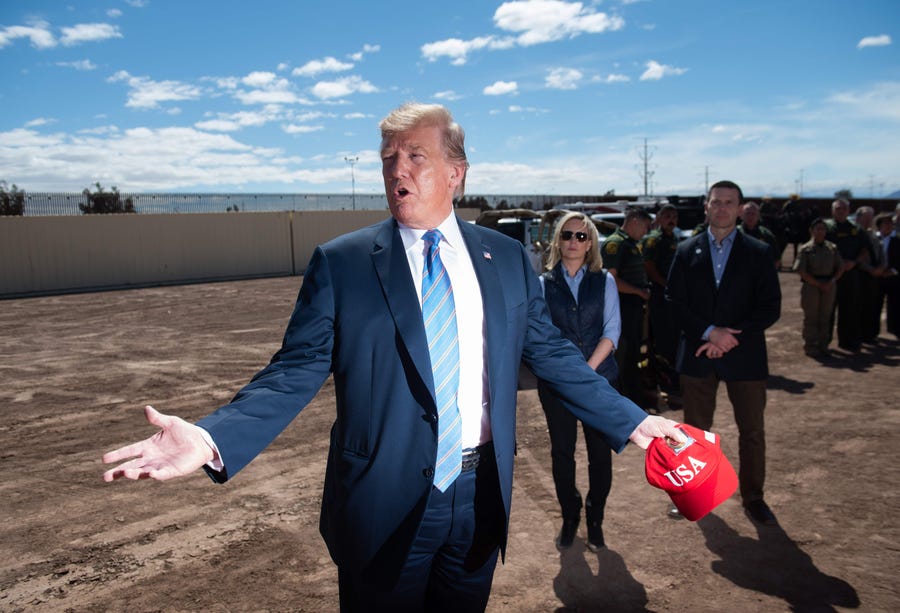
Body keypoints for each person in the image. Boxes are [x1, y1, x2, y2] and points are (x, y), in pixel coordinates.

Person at [101, 102, 684, 613]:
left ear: (455, 173)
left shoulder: (504, 260)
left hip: (480, 497)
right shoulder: (345, 263)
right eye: (388, 158)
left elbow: (552, 353)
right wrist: (211, 437)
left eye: (415, 156)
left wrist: (632, 419)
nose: (397, 170)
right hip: (384, 501)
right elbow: (294, 370)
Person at [665, 180, 782, 526]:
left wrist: (731, 338)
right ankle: (693, 494)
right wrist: (709, 332)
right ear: (706, 206)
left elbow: (770, 306)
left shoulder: (759, 252)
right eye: (716, 202)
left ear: (740, 208)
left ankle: (754, 497)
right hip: (699, 354)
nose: (722, 208)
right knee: (694, 434)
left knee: (752, 431)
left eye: (729, 203)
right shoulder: (686, 250)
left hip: (744, 357)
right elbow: (673, 300)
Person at [536, 212, 621, 553]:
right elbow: (541, 335)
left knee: (601, 455)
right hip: (557, 385)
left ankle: (595, 517)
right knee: (562, 453)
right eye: (567, 235)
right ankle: (569, 516)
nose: (574, 241)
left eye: (581, 237)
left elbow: (612, 330)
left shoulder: (605, 282)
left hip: (599, 381)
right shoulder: (543, 284)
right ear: (558, 240)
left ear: (591, 244)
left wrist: (587, 370)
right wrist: (567, 374)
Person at [601, 206, 653, 407]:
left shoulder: (630, 243)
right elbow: (611, 279)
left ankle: (632, 398)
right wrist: (639, 292)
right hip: (622, 308)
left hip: (633, 308)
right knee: (621, 357)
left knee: (632, 355)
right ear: (634, 221)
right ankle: (619, 400)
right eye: (645, 227)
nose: (646, 232)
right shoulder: (616, 244)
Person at [642, 203, 681, 407]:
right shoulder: (654, 240)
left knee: (673, 335)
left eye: (674, 216)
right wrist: (666, 285)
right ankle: (662, 381)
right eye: (667, 215)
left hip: (672, 295)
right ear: (658, 218)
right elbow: (649, 267)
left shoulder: (673, 238)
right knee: (661, 338)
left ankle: (671, 377)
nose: (671, 219)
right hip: (658, 294)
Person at [793, 218, 843, 357]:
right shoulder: (805, 249)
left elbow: (840, 267)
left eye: (823, 229)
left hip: (829, 285)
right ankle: (811, 345)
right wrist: (818, 284)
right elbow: (800, 270)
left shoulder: (832, 248)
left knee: (825, 317)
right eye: (817, 229)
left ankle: (824, 345)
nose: (820, 231)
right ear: (812, 231)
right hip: (811, 286)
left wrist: (831, 282)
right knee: (811, 317)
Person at [825, 199, 866, 352]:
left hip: (851, 275)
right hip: (832, 275)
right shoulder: (826, 228)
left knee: (850, 309)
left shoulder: (856, 229)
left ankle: (848, 341)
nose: (840, 211)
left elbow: (864, 251)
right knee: (827, 310)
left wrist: (854, 262)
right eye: (837, 208)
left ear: (849, 211)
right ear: (832, 211)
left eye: (843, 209)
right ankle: (825, 342)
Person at [739, 201, 781, 269]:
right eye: (747, 213)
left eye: (753, 214)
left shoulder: (766, 235)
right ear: (741, 215)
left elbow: (776, 259)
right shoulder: (733, 234)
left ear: (758, 216)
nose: (750, 216)